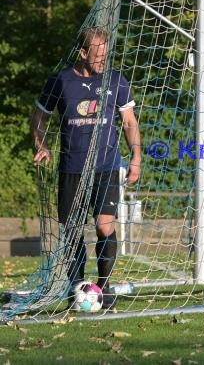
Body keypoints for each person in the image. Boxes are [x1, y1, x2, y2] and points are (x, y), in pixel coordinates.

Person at [30, 27, 141, 309]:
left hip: (105, 165)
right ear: (82, 53)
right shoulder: (60, 81)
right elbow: (38, 118)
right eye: (97, 57)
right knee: (71, 230)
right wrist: (41, 146)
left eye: (106, 56)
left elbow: (129, 122)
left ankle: (103, 288)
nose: (103, 62)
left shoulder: (116, 81)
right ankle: (77, 287)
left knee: (105, 226)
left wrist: (136, 157)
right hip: (72, 167)